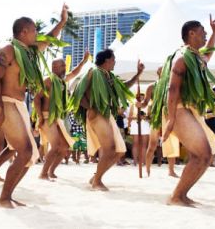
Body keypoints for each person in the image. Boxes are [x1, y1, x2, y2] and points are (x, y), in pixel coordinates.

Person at [0, 4, 69, 208]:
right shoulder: (8, 51)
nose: (37, 34)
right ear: (24, 32)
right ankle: (3, 197)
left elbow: (48, 38)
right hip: (6, 103)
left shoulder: (28, 52)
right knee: (26, 151)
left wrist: (62, 22)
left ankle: (7, 195)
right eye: (34, 30)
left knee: (31, 155)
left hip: (18, 105)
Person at [156, 16, 215, 207]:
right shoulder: (182, 57)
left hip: (189, 110)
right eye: (203, 31)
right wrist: (171, 120)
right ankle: (176, 196)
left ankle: (181, 195)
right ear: (191, 34)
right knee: (203, 154)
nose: (205, 34)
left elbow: (207, 56)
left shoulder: (194, 56)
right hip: (178, 108)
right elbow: (172, 89)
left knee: (201, 156)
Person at [69, 49, 144, 191]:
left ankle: (96, 177)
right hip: (97, 114)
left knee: (119, 151)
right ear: (107, 60)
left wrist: (138, 74)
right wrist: (91, 108)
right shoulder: (93, 72)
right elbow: (77, 94)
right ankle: (97, 181)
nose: (115, 62)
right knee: (110, 149)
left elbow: (123, 87)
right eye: (113, 59)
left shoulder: (109, 76)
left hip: (106, 114)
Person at [34, 51, 88, 180]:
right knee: (56, 146)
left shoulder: (62, 81)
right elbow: (36, 98)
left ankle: (51, 171)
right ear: (54, 68)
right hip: (47, 117)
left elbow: (74, 73)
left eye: (64, 66)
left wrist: (83, 61)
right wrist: (40, 117)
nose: (65, 68)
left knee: (64, 148)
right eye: (62, 66)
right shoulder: (47, 80)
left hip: (58, 118)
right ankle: (43, 173)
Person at [141, 67, 178, 177]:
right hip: (156, 119)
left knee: (171, 144)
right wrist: (140, 105)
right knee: (152, 145)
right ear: (158, 73)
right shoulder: (151, 87)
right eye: (164, 70)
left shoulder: (173, 86)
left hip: (168, 118)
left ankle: (171, 171)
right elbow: (145, 103)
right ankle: (147, 170)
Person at [127, 93, 149, 166]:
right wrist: (137, 118)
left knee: (144, 144)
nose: (141, 99)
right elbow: (129, 117)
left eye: (143, 97)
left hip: (145, 125)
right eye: (140, 97)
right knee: (135, 143)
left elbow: (150, 117)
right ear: (137, 98)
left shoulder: (147, 106)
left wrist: (145, 117)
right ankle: (135, 161)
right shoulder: (133, 106)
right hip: (135, 125)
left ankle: (144, 161)